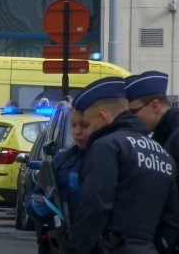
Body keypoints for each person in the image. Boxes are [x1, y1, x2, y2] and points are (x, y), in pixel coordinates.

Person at [68, 77, 179, 253]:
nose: (86, 131)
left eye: (88, 123)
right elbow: (171, 219)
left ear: (103, 118)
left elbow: (95, 206)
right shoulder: (162, 153)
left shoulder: (107, 146)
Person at [125, 70, 179, 252]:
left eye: (133, 112)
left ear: (155, 105)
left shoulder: (175, 138)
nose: (131, 119)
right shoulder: (163, 136)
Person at [26, 106, 90, 252]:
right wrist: (37, 206)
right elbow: (37, 195)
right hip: (60, 242)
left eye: (84, 125)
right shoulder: (61, 160)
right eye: (73, 125)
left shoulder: (107, 158)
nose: (77, 131)